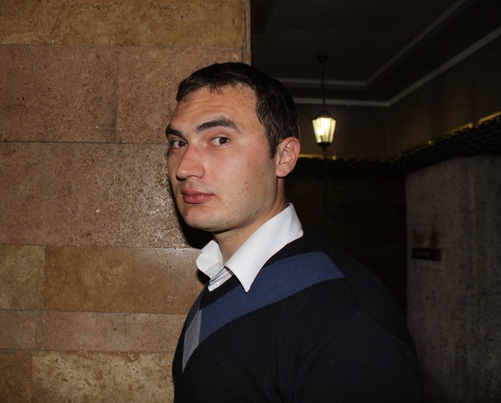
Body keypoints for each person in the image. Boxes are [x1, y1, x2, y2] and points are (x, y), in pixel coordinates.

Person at [165, 62, 423, 402]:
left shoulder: (347, 320)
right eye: (178, 142)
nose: (184, 167)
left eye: (220, 139)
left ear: (284, 157)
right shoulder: (221, 277)